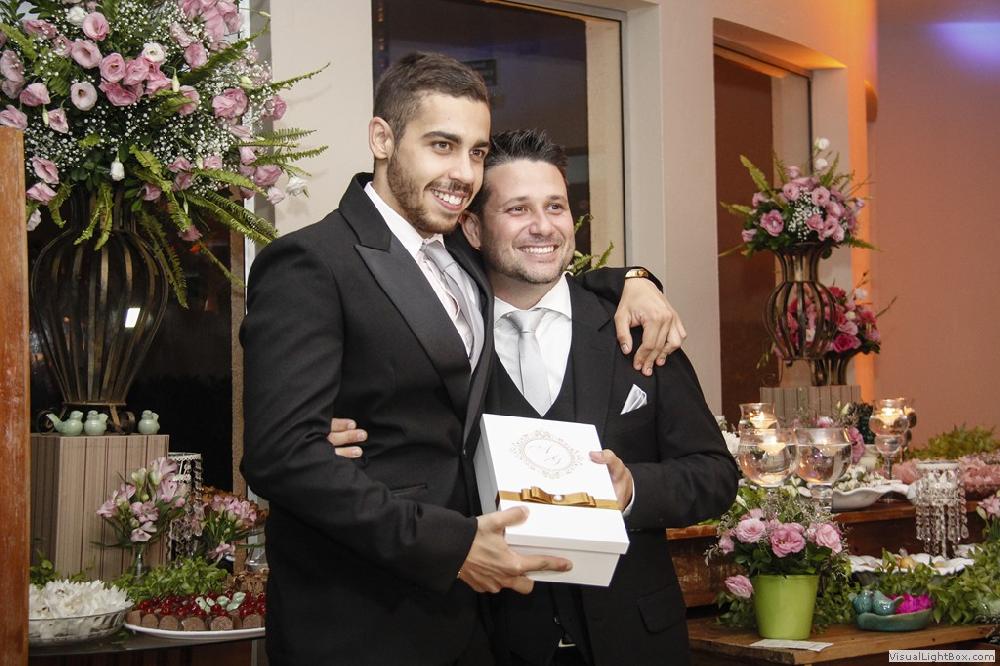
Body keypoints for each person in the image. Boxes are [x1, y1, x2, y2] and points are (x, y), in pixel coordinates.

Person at [241, 53, 684, 665]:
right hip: (358, 617)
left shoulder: (459, 255)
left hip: (465, 624)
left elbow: (538, 266)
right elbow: (280, 456)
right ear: (382, 138)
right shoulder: (312, 262)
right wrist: (451, 546)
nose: (464, 173)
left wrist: (635, 280)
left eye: (476, 152)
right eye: (442, 146)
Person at [332, 128, 739, 666]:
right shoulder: (442, 340)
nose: (543, 226)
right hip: (488, 641)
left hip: (634, 641)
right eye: (518, 209)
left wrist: (634, 489)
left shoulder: (637, 330)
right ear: (473, 228)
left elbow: (715, 474)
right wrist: (325, 440)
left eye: (555, 206)